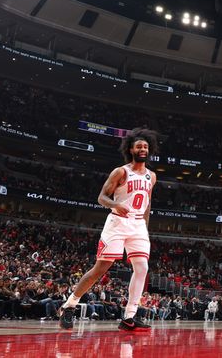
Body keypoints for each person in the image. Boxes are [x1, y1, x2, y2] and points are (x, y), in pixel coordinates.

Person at [58, 128, 159, 331]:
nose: (143, 149)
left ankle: (129, 317)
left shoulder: (152, 176)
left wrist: (144, 227)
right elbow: (101, 197)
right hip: (118, 222)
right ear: (131, 149)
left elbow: (147, 204)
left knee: (142, 268)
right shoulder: (121, 171)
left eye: (146, 146)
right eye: (139, 146)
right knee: (101, 269)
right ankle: (69, 306)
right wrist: (115, 205)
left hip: (138, 225)